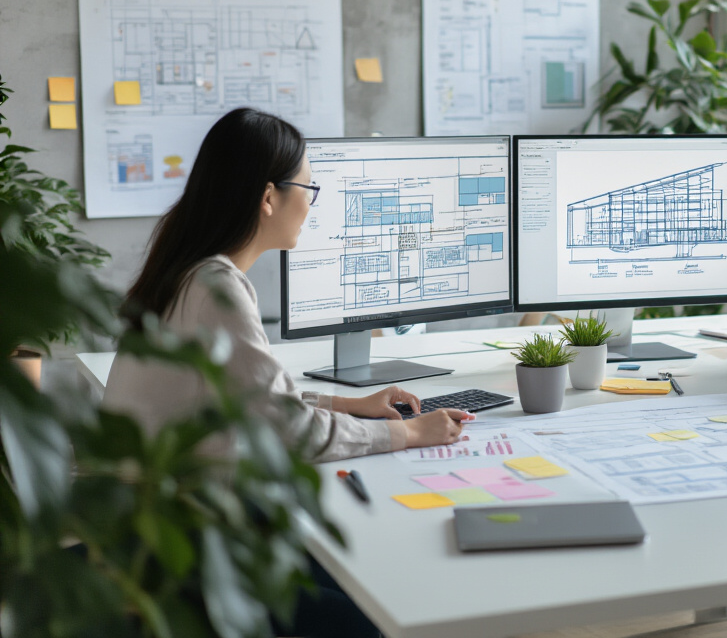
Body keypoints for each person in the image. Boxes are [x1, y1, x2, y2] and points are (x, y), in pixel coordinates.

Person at [103, 108, 471, 638]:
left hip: (155, 536)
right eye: (308, 187)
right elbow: (284, 430)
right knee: (386, 607)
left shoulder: (189, 272)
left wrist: (347, 404)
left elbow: (249, 400)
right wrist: (409, 432)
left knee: (360, 567)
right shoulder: (217, 289)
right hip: (186, 561)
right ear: (268, 197)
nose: (310, 204)